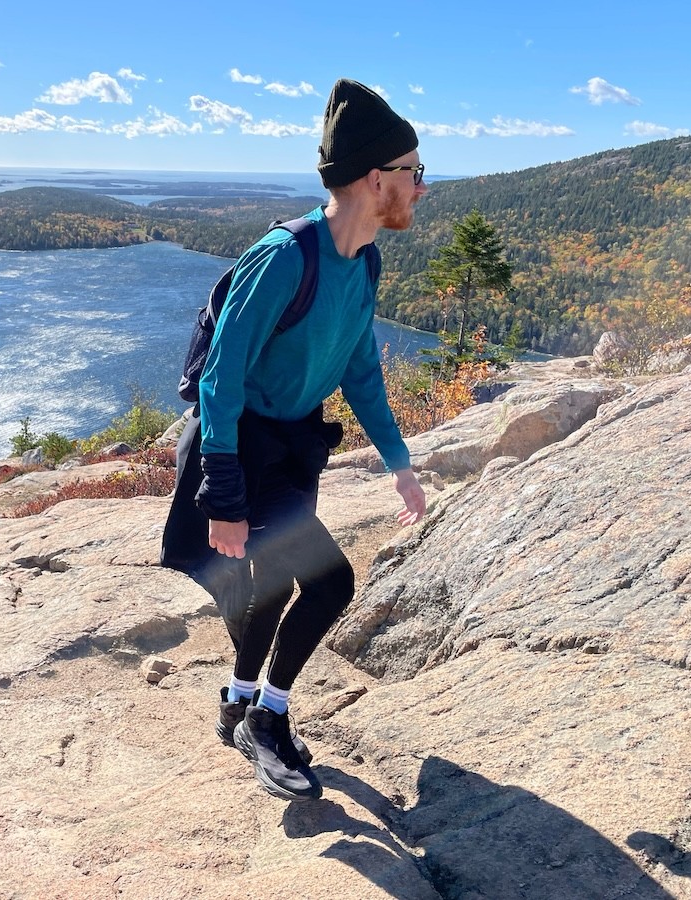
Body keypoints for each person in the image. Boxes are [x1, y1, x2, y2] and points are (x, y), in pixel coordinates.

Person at [160, 78, 428, 802]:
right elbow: (219, 380)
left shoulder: (363, 260)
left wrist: (400, 465)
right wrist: (222, 490)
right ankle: (266, 719)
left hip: (294, 443)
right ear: (377, 179)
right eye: (414, 172)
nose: (421, 187)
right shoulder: (286, 257)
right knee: (332, 581)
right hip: (243, 446)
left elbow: (361, 370)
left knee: (274, 586)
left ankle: (239, 704)